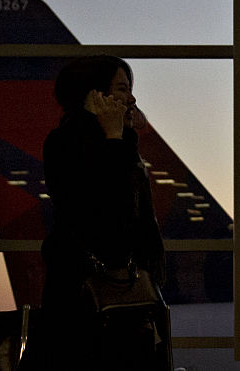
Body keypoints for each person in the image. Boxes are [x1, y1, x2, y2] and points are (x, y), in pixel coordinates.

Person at [38, 55, 168, 370]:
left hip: (121, 291)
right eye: (122, 89)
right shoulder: (67, 144)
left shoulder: (121, 144)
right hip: (83, 295)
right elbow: (112, 219)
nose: (132, 99)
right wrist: (114, 139)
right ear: (94, 95)